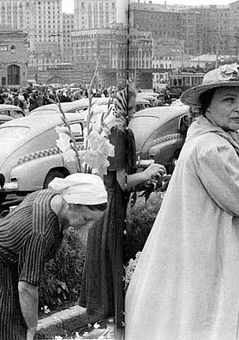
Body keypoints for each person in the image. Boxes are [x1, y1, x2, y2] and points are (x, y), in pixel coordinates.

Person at [125, 64, 239, 340]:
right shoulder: (214, 147)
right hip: (208, 260)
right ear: (207, 106)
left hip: (206, 254)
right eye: (229, 100)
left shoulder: (212, 139)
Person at [0, 173, 108, 340]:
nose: (89, 226)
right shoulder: (42, 231)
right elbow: (27, 287)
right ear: (72, 204)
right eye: (87, 219)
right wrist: (31, 328)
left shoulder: (51, 196)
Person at [79, 83, 166, 331]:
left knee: (113, 278)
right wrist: (148, 173)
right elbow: (122, 181)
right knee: (117, 275)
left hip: (106, 206)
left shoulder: (111, 130)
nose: (137, 111)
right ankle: (118, 330)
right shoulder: (121, 133)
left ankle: (116, 330)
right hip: (114, 210)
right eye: (135, 106)